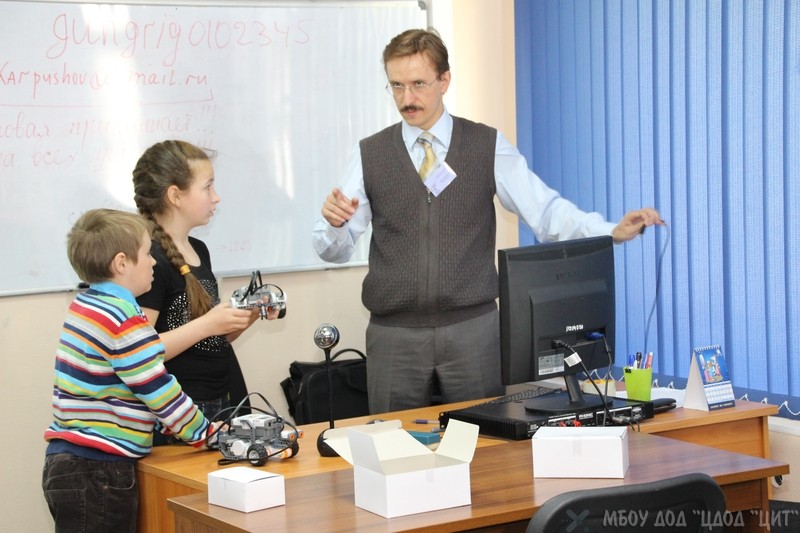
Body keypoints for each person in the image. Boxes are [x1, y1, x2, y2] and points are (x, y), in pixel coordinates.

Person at [312, 28, 665, 414]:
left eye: (418, 84)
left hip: (474, 333)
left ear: (444, 80)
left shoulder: (486, 145)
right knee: (394, 442)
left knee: (486, 439)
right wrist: (334, 225)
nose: (407, 98)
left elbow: (545, 212)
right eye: (396, 85)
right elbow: (334, 250)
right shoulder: (370, 153)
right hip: (395, 336)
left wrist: (610, 231)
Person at [42, 208, 221, 533]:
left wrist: (168, 427)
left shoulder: (85, 306)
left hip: (67, 462)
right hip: (100, 470)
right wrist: (206, 433)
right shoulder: (124, 317)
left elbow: (119, 387)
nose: (154, 262)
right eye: (147, 254)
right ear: (121, 263)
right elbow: (158, 389)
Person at [132, 140, 280, 436]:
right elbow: (141, 352)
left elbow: (212, 339)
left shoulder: (199, 249)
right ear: (175, 195)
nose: (216, 197)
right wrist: (208, 324)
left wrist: (248, 314)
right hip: (178, 414)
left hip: (218, 400)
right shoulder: (150, 261)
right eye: (207, 187)